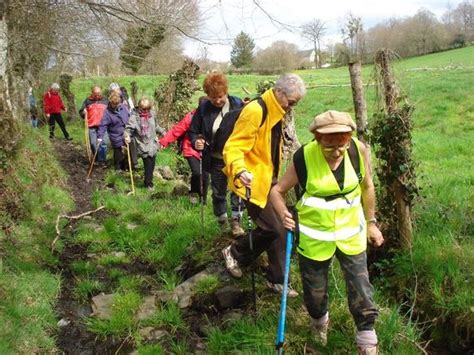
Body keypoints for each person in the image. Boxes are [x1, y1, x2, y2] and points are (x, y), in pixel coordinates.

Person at [269, 110, 384, 354]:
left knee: (361, 288)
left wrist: (371, 222)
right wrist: (283, 215)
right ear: (318, 138)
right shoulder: (303, 157)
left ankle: (367, 340)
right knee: (315, 295)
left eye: (341, 143)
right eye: (329, 144)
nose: (336, 150)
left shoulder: (358, 150)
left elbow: (367, 186)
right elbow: (276, 192)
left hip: (351, 234)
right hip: (314, 239)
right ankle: (319, 324)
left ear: (349, 136)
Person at [221, 73, 306, 296]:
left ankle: (277, 280)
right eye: (292, 101)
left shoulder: (277, 111)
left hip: (270, 180)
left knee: (283, 226)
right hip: (251, 181)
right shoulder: (256, 111)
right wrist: (240, 170)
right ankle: (234, 252)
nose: (292, 107)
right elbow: (234, 147)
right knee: (273, 227)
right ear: (279, 92)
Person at [189, 72, 245, 237]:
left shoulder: (237, 105)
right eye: (213, 97)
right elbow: (193, 131)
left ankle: (236, 222)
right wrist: (196, 142)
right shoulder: (203, 109)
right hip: (215, 158)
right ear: (207, 96)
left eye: (220, 96)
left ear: (226, 92)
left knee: (238, 190)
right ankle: (222, 223)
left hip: (236, 157)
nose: (218, 100)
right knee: (218, 191)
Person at [159, 97, 210, 203]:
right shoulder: (191, 117)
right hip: (190, 148)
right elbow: (177, 130)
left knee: (205, 175)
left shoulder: (213, 117)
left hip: (206, 150)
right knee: (197, 172)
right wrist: (164, 141)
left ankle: (203, 199)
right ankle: (194, 193)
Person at [125, 97, 164, 190]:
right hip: (142, 145)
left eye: (147, 109)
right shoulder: (134, 117)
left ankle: (148, 180)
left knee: (152, 164)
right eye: (143, 109)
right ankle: (148, 184)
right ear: (139, 107)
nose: (146, 111)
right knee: (148, 165)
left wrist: (163, 132)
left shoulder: (152, 114)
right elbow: (128, 129)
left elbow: (156, 126)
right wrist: (126, 136)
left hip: (153, 144)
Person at [97, 92, 129, 170]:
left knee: (128, 149)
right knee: (117, 150)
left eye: (117, 103)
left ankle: (126, 166)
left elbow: (129, 116)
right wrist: (100, 137)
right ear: (110, 102)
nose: (115, 106)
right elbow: (103, 125)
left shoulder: (123, 108)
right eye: (113, 104)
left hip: (126, 131)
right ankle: (117, 168)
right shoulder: (107, 112)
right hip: (115, 133)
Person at [79, 86, 109, 166]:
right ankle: (96, 158)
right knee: (93, 143)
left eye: (99, 94)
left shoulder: (105, 100)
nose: (97, 96)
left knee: (104, 143)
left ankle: (102, 160)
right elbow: (81, 111)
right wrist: (83, 112)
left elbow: (110, 111)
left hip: (103, 126)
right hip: (91, 125)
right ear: (92, 93)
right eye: (95, 94)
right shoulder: (87, 101)